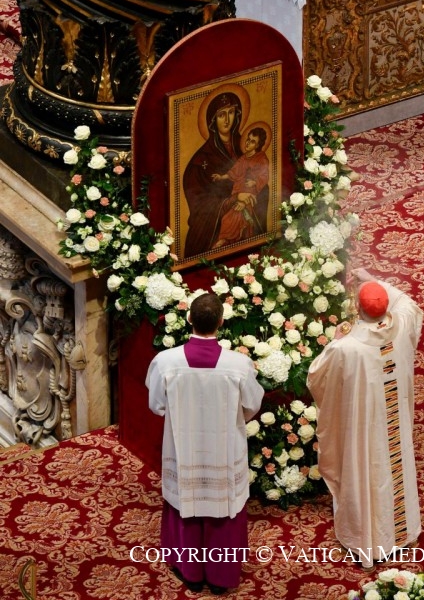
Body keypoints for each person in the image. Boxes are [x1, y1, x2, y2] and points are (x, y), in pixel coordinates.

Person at [146, 293, 264, 594]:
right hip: (224, 448)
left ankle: (192, 573)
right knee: (223, 507)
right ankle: (221, 577)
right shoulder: (239, 365)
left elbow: (156, 405)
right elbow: (252, 405)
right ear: (221, 322)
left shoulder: (165, 362)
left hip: (182, 447)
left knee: (186, 500)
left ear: (189, 319)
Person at [307, 268, 423, 569]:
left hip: (365, 429)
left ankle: (369, 542)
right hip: (393, 422)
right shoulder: (402, 325)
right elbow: (407, 302)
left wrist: (333, 341)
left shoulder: (346, 348)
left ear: (357, 308)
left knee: (367, 472)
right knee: (393, 467)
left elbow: (317, 377)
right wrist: (372, 279)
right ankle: (403, 532)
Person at [183, 91, 243, 258]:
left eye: (231, 112)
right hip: (214, 226)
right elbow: (198, 202)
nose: (227, 120)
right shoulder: (201, 160)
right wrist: (228, 202)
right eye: (221, 115)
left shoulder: (245, 146)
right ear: (213, 120)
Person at [212, 126, 270, 248]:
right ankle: (226, 240)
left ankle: (224, 239)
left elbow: (265, 175)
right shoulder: (243, 158)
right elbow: (234, 172)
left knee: (235, 216)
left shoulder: (261, 158)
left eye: (252, 141)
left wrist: (255, 182)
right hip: (239, 191)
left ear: (258, 145)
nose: (248, 143)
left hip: (251, 193)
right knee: (227, 217)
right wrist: (221, 177)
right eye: (248, 139)